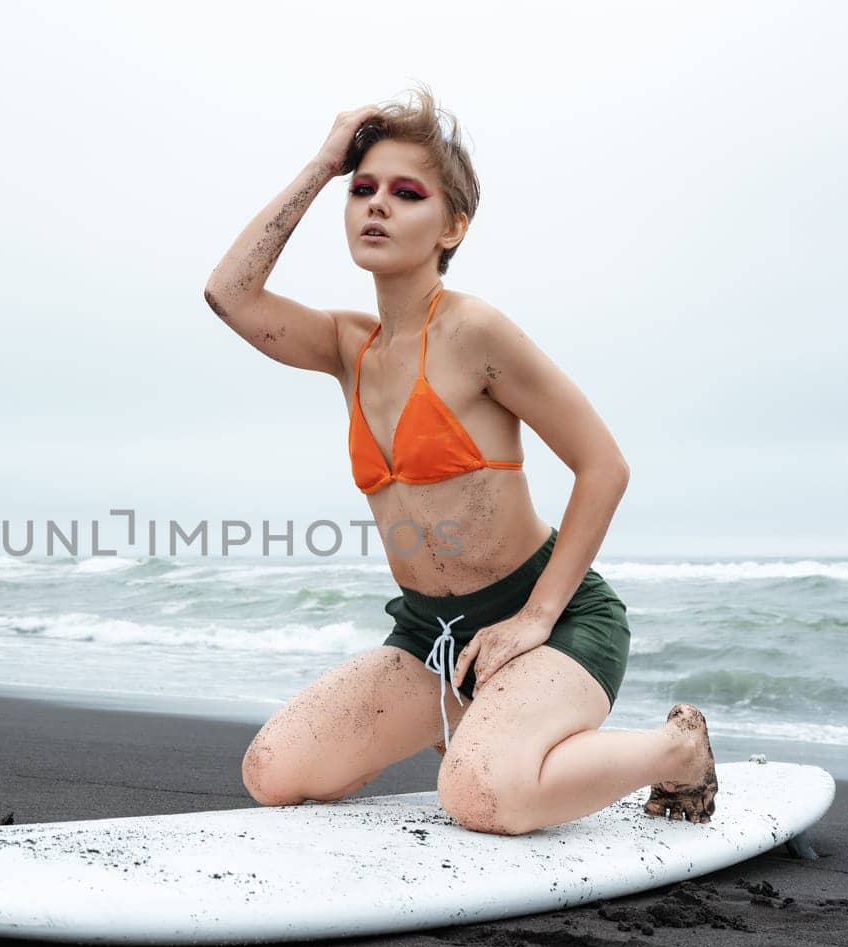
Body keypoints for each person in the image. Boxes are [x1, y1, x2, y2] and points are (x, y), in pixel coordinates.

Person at [203, 85, 717, 833]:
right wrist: (322, 164)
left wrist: (537, 618)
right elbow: (229, 292)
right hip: (434, 638)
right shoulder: (349, 348)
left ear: (453, 224)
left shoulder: (476, 333)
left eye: (407, 193)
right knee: (272, 772)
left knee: (477, 794)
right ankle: (477, 723)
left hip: (558, 620)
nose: (376, 205)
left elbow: (604, 466)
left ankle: (677, 748)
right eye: (363, 190)